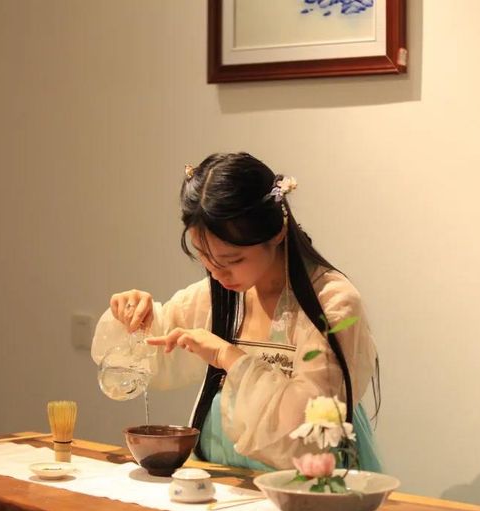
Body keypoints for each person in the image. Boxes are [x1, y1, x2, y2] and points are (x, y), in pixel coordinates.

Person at [96, 152, 381, 472]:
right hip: (222, 472)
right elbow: (147, 357)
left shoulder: (331, 302)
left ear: (277, 232)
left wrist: (228, 357)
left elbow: (308, 431)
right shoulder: (219, 295)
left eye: (233, 260)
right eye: (204, 256)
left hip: (306, 477)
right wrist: (134, 316)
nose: (217, 273)